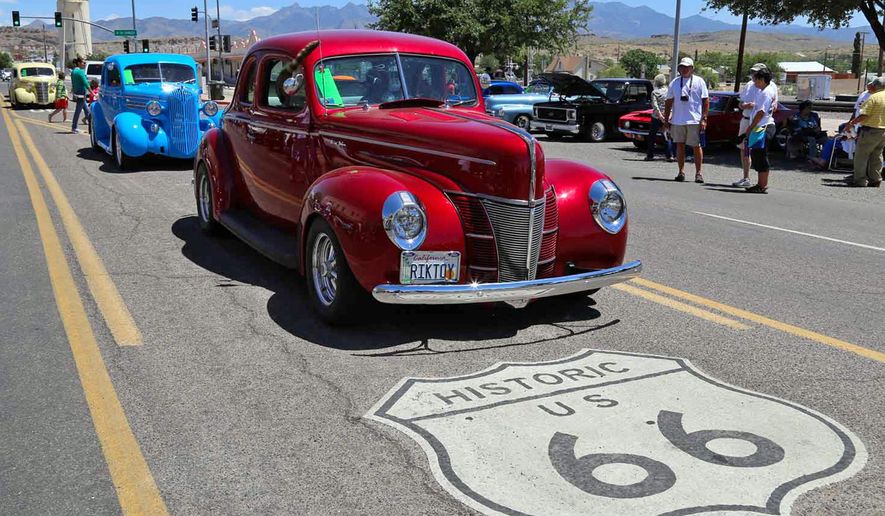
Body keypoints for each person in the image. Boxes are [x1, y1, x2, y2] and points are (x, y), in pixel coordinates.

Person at [663, 57, 709, 183]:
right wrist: (666, 120)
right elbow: (668, 102)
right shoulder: (675, 82)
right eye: (682, 67)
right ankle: (681, 172)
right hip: (678, 120)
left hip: (694, 120)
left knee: (696, 146)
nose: (684, 69)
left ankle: (698, 173)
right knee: (680, 145)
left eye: (687, 67)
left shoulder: (699, 81)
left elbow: (705, 100)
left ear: (692, 68)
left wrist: (704, 118)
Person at [734, 63, 770, 187]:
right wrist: (744, 105)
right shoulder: (750, 85)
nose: (754, 75)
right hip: (747, 119)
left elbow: (764, 108)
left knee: (758, 151)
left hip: (757, 122)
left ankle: (761, 183)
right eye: (753, 72)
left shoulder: (768, 89)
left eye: (757, 73)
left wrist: (751, 127)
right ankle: (746, 177)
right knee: (744, 149)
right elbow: (740, 102)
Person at [845, 76, 885, 187]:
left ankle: (860, 180)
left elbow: (864, 115)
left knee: (861, 155)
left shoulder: (873, 97)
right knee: (877, 155)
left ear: (875, 85)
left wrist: (851, 123)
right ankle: (876, 179)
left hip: (870, 130)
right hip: (883, 131)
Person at [743, 68, 776, 193]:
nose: (754, 82)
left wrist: (750, 127)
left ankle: (762, 185)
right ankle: (760, 184)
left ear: (762, 80)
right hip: (760, 126)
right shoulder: (763, 91)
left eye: (755, 79)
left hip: (763, 126)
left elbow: (761, 112)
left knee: (760, 155)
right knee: (757, 154)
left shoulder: (765, 93)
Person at [645, 74, 672, 162]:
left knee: (652, 136)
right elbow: (672, 104)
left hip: (656, 117)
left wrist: (659, 115)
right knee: (666, 135)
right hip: (667, 116)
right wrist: (669, 115)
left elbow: (655, 105)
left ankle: (650, 155)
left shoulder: (654, 92)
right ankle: (669, 155)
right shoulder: (669, 91)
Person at [70, 57, 90, 134]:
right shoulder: (80, 72)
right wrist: (93, 93)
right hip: (81, 94)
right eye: (83, 62)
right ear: (79, 63)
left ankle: (93, 127)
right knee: (78, 111)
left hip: (77, 94)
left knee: (87, 111)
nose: (84, 64)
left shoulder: (73, 71)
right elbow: (86, 83)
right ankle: (74, 127)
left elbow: (73, 83)